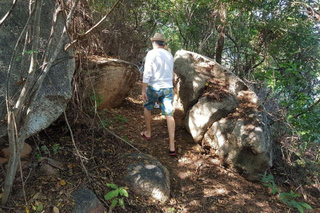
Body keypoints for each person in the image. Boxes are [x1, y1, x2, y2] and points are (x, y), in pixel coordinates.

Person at [140, 33, 176, 156]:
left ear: (154, 42)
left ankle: (148, 133)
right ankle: (172, 146)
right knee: (169, 115)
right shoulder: (170, 55)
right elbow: (171, 73)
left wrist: (143, 90)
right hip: (168, 88)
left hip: (154, 87)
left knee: (147, 107)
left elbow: (147, 72)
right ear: (164, 43)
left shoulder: (151, 53)